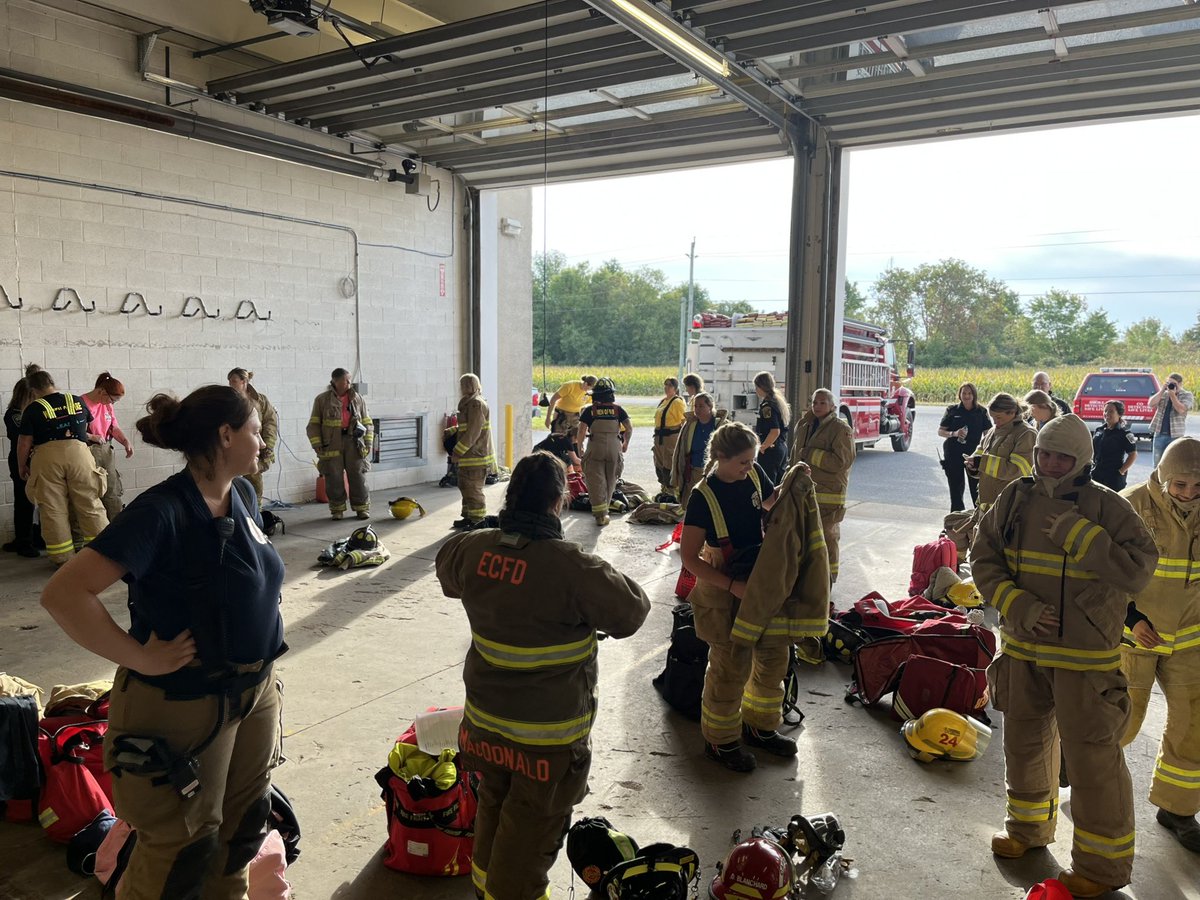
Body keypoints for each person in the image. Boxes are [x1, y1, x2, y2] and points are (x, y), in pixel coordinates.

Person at [39, 385, 286, 899]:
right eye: (255, 431)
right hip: (185, 702)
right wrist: (140, 658)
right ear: (226, 435)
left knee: (241, 830)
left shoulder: (241, 494)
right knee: (181, 846)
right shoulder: (163, 510)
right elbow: (64, 594)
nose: (263, 442)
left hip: (254, 691)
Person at [435, 451, 650, 900]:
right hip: (544, 745)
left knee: (493, 808)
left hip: (484, 730)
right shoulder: (572, 567)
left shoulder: (472, 549)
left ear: (510, 497)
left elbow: (447, 571)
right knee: (529, 838)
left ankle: (484, 889)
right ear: (557, 502)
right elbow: (632, 611)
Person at [973, 414, 1157, 898]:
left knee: (1093, 758)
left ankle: (1101, 867)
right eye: (1045, 454)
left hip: (1085, 659)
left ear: (1083, 461)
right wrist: (1017, 605)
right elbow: (983, 557)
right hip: (1022, 647)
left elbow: (1139, 571)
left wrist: (1082, 537)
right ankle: (1027, 829)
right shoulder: (1014, 497)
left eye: (1063, 457)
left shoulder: (1109, 506)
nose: (1052, 464)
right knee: (1024, 743)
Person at [681, 421, 789, 772]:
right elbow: (689, 558)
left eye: (752, 460)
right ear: (720, 457)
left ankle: (760, 727)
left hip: (758, 581)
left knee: (773, 656)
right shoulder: (703, 497)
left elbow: (770, 501)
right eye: (743, 462)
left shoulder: (753, 474)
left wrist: (794, 485)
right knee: (730, 667)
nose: (749, 467)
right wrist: (731, 586)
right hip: (723, 587)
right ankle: (721, 741)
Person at [1119, 437, 1200, 853]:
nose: (1188, 494)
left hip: (1189, 640)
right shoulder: (1129, 505)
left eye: (1197, 487)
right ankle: (1082, 775)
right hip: (1135, 638)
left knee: (1193, 725)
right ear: (1164, 477)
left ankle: (1177, 809)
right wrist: (1131, 619)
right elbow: (1097, 573)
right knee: (1123, 719)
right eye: (1180, 485)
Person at [16, 369, 108, 565]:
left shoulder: (33, 409)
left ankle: (63, 559)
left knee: (53, 509)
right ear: (52, 382)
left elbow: (24, 442)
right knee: (89, 502)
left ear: (33, 390)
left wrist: (22, 465)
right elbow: (87, 429)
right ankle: (103, 552)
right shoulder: (77, 401)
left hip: (47, 459)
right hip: (80, 455)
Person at [793, 389, 855, 584]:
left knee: (828, 536)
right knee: (804, 537)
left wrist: (811, 454)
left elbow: (841, 462)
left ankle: (828, 579)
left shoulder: (840, 429)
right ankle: (809, 578)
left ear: (832, 406)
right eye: (814, 402)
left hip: (829, 496)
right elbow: (795, 455)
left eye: (822, 403)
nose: (817, 406)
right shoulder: (804, 424)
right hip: (804, 491)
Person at [306, 368, 372, 521]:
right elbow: (314, 424)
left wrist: (368, 442)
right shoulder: (322, 400)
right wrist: (317, 443)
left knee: (358, 475)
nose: (349, 383)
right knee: (333, 477)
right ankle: (337, 510)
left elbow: (367, 421)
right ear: (335, 381)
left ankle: (362, 508)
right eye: (346, 380)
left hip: (354, 442)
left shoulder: (358, 398)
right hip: (331, 444)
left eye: (349, 380)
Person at [966, 393, 1036, 511]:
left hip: (1008, 505)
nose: (995, 422)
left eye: (998, 418)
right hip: (986, 503)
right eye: (993, 417)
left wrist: (982, 462)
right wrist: (973, 466)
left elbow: (1018, 470)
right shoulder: (992, 432)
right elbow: (979, 454)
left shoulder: (1026, 434)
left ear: (1012, 413)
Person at [575, 378, 630, 527]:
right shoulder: (618, 410)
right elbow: (629, 428)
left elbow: (581, 430)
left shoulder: (590, 410)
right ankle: (605, 509)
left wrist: (580, 447)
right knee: (611, 479)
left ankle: (600, 515)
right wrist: (625, 443)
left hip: (595, 446)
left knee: (595, 479)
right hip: (614, 447)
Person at [80, 372, 134, 522]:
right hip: (89, 450)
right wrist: (92, 437)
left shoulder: (107, 405)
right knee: (93, 491)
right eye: (112, 399)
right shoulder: (82, 403)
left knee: (112, 491)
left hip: (106, 450)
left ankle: (116, 525)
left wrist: (125, 441)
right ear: (102, 391)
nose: (112, 403)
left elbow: (113, 427)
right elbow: (75, 431)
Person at [228, 368, 278, 507]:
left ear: (244, 381)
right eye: (229, 381)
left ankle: (256, 510)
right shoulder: (228, 401)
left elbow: (270, 423)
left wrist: (268, 445)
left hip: (255, 445)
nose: (230, 384)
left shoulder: (260, 400)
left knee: (254, 478)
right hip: (235, 446)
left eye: (234, 381)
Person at [4, 366, 40, 557]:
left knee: (37, 501)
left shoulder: (31, 413)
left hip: (35, 459)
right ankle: (24, 541)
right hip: (21, 460)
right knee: (24, 501)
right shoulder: (14, 414)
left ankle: (33, 536)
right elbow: (23, 437)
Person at [937, 382, 990, 511]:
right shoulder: (952, 410)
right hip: (953, 452)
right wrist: (954, 433)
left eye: (969, 393)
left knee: (976, 487)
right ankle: (956, 516)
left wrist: (987, 451)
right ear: (959, 395)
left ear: (974, 395)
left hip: (974, 453)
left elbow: (988, 434)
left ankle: (979, 515)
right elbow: (941, 431)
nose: (966, 396)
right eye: (964, 393)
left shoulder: (982, 411)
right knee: (955, 487)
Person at [451, 374, 494, 530]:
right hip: (469, 457)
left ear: (471, 385)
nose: (461, 388)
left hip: (475, 457)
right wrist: (452, 431)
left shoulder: (476, 404)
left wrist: (457, 451)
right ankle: (468, 517)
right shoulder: (468, 403)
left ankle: (477, 521)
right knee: (465, 487)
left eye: (464, 385)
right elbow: (466, 428)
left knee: (473, 490)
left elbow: (473, 432)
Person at [670, 392, 725, 509]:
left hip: (714, 473)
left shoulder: (721, 425)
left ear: (710, 407)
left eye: (701, 406)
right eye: (695, 406)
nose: (697, 409)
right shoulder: (690, 425)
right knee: (690, 505)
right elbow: (679, 450)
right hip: (692, 472)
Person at [1149, 372, 1194, 468]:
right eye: (1169, 383)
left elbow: (1181, 410)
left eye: (1174, 384)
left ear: (1180, 384)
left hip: (1175, 436)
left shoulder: (1186, 395)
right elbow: (1151, 404)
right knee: (1157, 465)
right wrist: (1162, 390)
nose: (1171, 386)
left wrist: (1173, 396)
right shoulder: (1164, 394)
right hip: (1159, 434)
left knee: (1174, 465)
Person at [752, 371, 790, 484]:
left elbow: (774, 431)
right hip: (781, 448)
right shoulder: (778, 402)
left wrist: (762, 447)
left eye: (756, 387)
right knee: (779, 484)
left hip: (771, 450)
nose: (756, 390)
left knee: (767, 485)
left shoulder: (767, 406)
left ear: (761, 387)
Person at [1092, 401, 1138, 492]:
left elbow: (1133, 454)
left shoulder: (1125, 433)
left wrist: (1121, 471)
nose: (1107, 414)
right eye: (1105, 411)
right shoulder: (1099, 430)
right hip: (1097, 473)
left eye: (1111, 411)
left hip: (1113, 476)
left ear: (1119, 414)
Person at [652, 377, 687, 496]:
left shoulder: (677, 402)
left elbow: (683, 421)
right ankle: (664, 487)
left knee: (669, 463)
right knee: (659, 463)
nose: (666, 387)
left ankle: (672, 490)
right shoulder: (663, 401)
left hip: (670, 437)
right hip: (659, 437)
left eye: (670, 385)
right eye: (665, 385)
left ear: (675, 388)